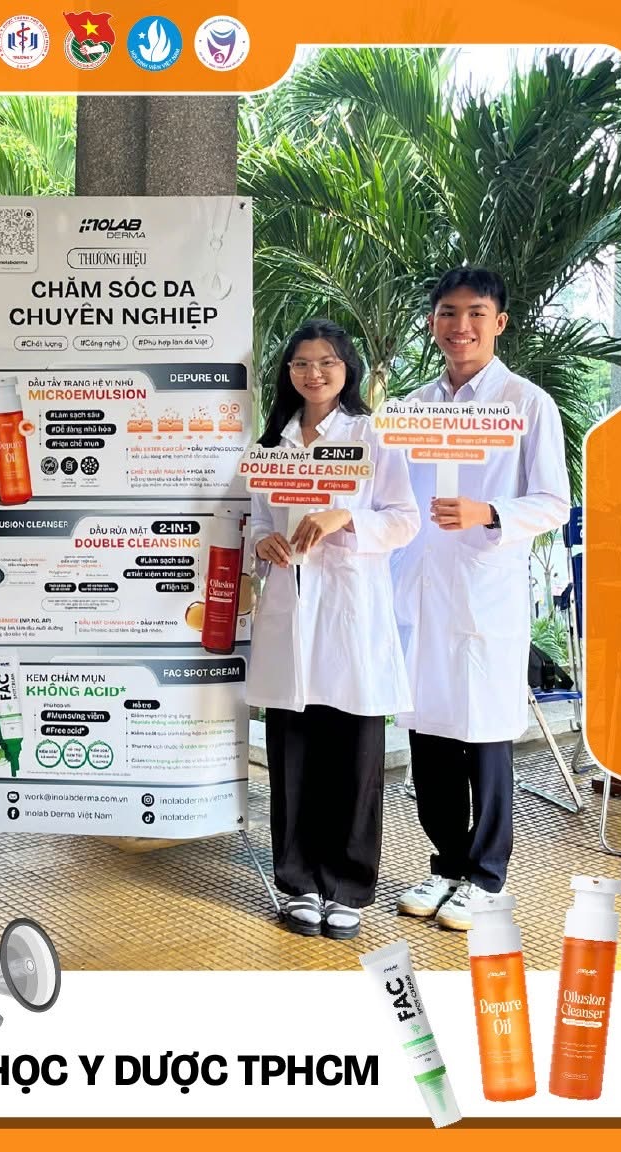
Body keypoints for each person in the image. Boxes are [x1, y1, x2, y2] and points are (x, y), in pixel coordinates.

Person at [392, 266, 570, 930]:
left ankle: (487, 877)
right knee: (429, 733)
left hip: (484, 592)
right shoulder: (411, 408)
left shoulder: (528, 404)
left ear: (499, 322)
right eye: (447, 312)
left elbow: (553, 501)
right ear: (432, 322)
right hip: (419, 593)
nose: (459, 326)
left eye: (475, 313)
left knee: (486, 736)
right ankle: (445, 865)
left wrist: (488, 511)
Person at [246, 320, 419, 940]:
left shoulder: (372, 436)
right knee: (292, 755)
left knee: (353, 757)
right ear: (288, 373)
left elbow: (405, 519)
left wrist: (344, 517)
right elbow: (256, 519)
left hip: (350, 615)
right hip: (290, 613)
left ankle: (347, 886)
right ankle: (297, 882)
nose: (313, 373)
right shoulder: (273, 443)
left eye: (326, 362)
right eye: (300, 363)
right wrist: (261, 542)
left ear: (347, 368)